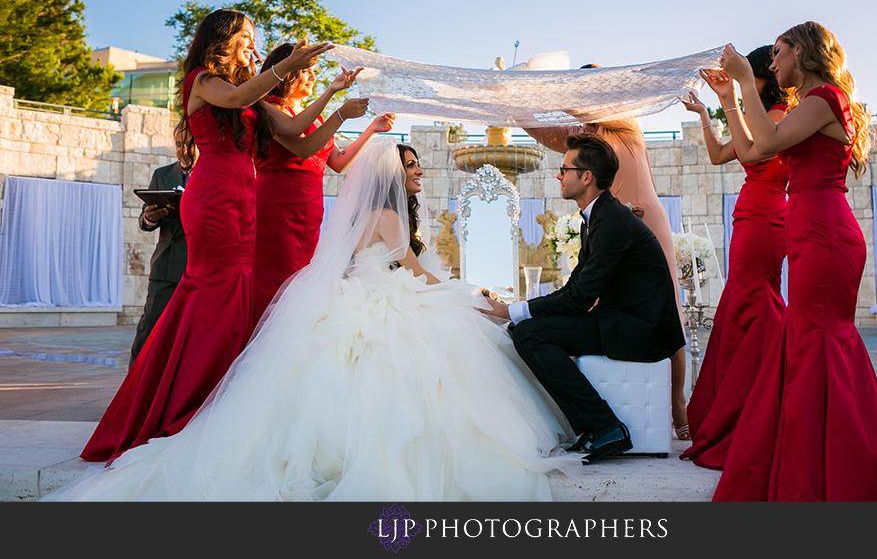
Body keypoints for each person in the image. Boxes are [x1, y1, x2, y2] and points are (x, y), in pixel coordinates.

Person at [44, 136, 581, 501]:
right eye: (414, 167)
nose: (420, 174)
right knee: (448, 354)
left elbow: (351, 265)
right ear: (396, 175)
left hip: (358, 292)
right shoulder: (390, 215)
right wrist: (468, 296)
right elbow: (413, 270)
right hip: (390, 294)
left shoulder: (362, 215)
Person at [80, 9, 336, 463]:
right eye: (246, 34)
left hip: (246, 199)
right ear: (223, 37)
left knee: (235, 296)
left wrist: (332, 93)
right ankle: (185, 403)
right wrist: (284, 67)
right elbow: (236, 100)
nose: (252, 42)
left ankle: (221, 398)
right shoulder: (203, 81)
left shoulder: (250, 90)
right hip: (215, 194)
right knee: (213, 293)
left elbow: (295, 131)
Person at [702, 22, 877, 501]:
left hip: (825, 231)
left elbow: (770, 142)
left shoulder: (824, 98)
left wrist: (746, 80)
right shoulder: (811, 102)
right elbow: (751, 149)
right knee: (809, 344)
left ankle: (838, 468)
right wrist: (728, 98)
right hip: (811, 228)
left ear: (801, 53)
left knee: (819, 342)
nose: (774, 62)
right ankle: (813, 460)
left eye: (779, 53)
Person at [479, 133, 687, 463]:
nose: (559, 175)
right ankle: (593, 427)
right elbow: (575, 290)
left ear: (586, 177)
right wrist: (519, 310)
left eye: (564, 169)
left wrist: (512, 311)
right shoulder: (598, 217)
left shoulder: (612, 221)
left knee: (530, 334)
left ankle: (605, 427)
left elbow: (579, 299)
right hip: (622, 319)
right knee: (526, 329)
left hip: (640, 330)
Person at [523, 65, 691, 440]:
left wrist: (547, 87)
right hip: (605, 224)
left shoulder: (624, 121)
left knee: (668, 315)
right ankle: (613, 406)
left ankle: (678, 403)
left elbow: (588, 107)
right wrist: (514, 102)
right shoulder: (581, 137)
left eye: (590, 88)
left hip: (645, 224)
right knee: (602, 309)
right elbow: (542, 130)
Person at [677, 45, 789, 467]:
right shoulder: (760, 114)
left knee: (753, 304)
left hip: (767, 215)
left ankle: (752, 409)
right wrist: (709, 115)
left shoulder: (779, 116)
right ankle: (730, 408)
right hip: (748, 213)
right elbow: (720, 154)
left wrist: (732, 99)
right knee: (740, 304)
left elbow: (750, 150)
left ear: (761, 77)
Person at [250, 41, 395, 328]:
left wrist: (371, 128)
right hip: (278, 204)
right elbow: (302, 149)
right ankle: (262, 338)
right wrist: (336, 104)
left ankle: (291, 338)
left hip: (309, 206)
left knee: (303, 278)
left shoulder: (310, 117)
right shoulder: (268, 109)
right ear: (289, 73)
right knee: (277, 278)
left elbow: (338, 161)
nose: (314, 77)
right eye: (308, 70)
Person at [130, 122, 196, 366]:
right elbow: (143, 220)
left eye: (188, 143)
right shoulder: (162, 174)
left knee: (191, 337)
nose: (182, 150)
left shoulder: (213, 175)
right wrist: (149, 216)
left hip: (201, 268)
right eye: (178, 144)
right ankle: (134, 390)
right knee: (149, 331)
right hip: (167, 266)